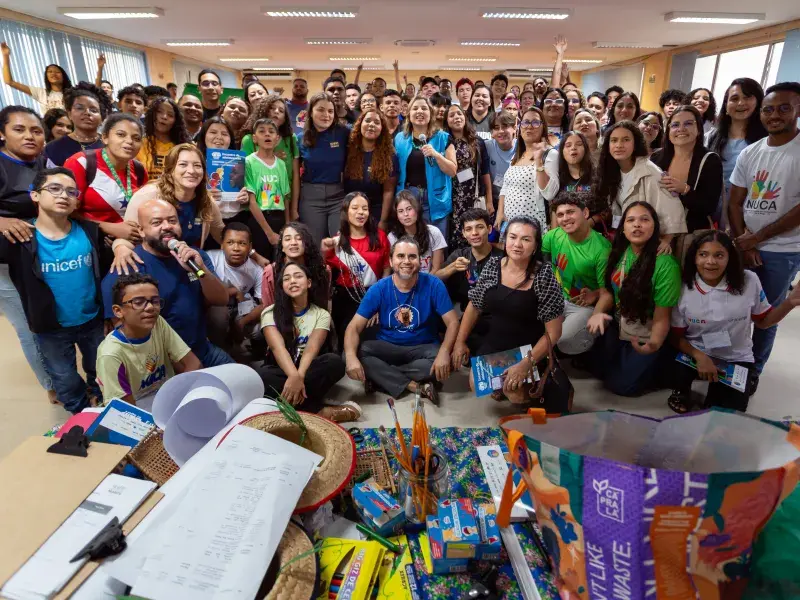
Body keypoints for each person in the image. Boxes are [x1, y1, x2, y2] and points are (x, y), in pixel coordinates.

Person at [0, 167, 104, 413]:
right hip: (50, 327)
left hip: (92, 319)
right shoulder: (21, 238)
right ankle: (79, 413)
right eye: (54, 189)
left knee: (99, 367)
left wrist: (120, 244)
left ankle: (101, 402)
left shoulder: (88, 232)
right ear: (34, 195)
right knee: (64, 377)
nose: (63, 195)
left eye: (71, 191)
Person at [668, 230, 800, 414]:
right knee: (676, 368)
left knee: (723, 415)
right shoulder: (684, 286)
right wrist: (700, 356)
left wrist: (789, 303)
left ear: (730, 257)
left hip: (735, 356)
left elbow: (764, 322)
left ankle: (732, 385)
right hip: (696, 351)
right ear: (694, 258)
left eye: (719, 255)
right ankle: (681, 390)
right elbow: (675, 337)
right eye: (703, 254)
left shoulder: (749, 280)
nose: (710, 262)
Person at [102, 198, 233, 366]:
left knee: (244, 382)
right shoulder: (127, 267)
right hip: (159, 362)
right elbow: (124, 334)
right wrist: (183, 365)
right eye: (157, 222)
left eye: (172, 221)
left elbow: (221, 299)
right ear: (141, 231)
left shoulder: (195, 256)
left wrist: (202, 271)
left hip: (202, 349)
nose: (167, 226)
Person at [452, 216, 564, 403]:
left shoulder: (544, 275)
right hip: (497, 343)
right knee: (475, 383)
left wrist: (525, 364)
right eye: (512, 237)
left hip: (530, 348)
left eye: (526, 239)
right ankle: (504, 384)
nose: (517, 244)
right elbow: (475, 305)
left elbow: (554, 332)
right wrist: (459, 342)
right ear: (505, 241)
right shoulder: (494, 266)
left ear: (535, 246)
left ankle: (530, 387)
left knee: (516, 394)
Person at [729, 82, 800, 374]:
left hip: (782, 251)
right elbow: (734, 202)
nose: (774, 115)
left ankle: (752, 371)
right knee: (736, 309)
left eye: (784, 108)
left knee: (767, 314)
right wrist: (742, 242)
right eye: (768, 109)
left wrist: (758, 238)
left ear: (797, 110)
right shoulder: (750, 153)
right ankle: (733, 360)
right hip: (747, 245)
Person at [344, 235, 458, 402]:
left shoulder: (434, 284)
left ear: (420, 261)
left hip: (423, 347)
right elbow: (354, 327)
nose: (407, 261)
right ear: (391, 261)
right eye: (400, 256)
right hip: (387, 347)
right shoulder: (379, 289)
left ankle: (381, 377)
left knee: (446, 360)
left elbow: (453, 322)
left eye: (412, 256)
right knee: (352, 353)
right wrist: (350, 357)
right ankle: (413, 385)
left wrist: (444, 352)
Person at [587, 201, 681, 396]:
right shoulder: (621, 252)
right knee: (595, 369)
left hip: (647, 329)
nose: (637, 225)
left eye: (644, 220)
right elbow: (611, 292)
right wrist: (597, 307)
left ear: (655, 227)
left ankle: (663, 363)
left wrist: (653, 345)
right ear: (622, 228)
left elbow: (662, 317)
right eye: (630, 220)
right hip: (621, 324)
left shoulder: (665, 264)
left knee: (622, 386)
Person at [0, 106, 55, 401]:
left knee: (44, 318)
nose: (29, 136)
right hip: (5, 265)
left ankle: (60, 375)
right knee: (27, 325)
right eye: (19, 130)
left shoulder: (43, 163)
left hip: (36, 257)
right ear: (2, 133)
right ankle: (51, 386)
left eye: (35, 130)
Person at [256, 261, 352, 418]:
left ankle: (287, 405)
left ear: (308, 283)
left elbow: (312, 349)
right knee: (261, 376)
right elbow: (277, 348)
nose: (292, 281)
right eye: (286, 278)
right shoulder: (269, 312)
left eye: (298, 276)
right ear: (282, 286)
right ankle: (317, 411)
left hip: (307, 369)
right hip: (281, 369)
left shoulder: (321, 314)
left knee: (334, 362)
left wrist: (298, 377)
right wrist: (293, 376)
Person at [112, 144, 225, 273]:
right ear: (170, 169)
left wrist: (249, 251)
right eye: (183, 164)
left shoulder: (206, 201)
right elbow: (127, 236)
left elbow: (222, 235)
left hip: (188, 267)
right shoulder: (146, 196)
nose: (192, 171)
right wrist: (120, 248)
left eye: (197, 166)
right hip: (152, 265)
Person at [98, 273, 201, 409]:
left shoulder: (157, 322)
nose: (150, 308)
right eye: (138, 302)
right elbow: (125, 412)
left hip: (169, 400)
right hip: (138, 413)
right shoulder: (110, 354)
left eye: (155, 301)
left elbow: (194, 364)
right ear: (118, 311)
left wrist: (179, 400)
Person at [64, 114, 147, 265]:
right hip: (89, 247)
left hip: (129, 246)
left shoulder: (139, 169)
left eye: (136, 138)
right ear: (105, 138)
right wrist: (107, 228)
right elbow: (64, 211)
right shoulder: (81, 163)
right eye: (121, 134)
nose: (129, 141)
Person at [595, 121, 686, 253]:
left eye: (626, 140)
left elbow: (672, 207)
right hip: (627, 240)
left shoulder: (650, 171)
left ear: (635, 144)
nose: (619, 145)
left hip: (650, 242)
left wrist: (667, 240)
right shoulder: (611, 170)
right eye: (614, 140)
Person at [542, 192, 611, 356]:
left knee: (564, 341)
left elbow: (607, 293)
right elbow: (544, 265)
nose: (565, 218)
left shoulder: (602, 249)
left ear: (585, 213)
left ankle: (595, 340)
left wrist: (596, 313)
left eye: (570, 212)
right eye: (560, 214)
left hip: (584, 306)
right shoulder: (552, 236)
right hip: (557, 298)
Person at [322, 192, 390, 349]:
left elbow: (387, 267)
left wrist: (379, 300)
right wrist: (323, 250)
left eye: (364, 208)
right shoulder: (336, 241)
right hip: (345, 298)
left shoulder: (379, 236)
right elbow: (323, 269)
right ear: (346, 212)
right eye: (355, 208)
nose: (361, 212)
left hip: (373, 294)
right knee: (345, 345)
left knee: (369, 344)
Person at [651, 105, 723, 232]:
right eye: (675, 125)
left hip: (691, 233)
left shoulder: (710, 160)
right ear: (668, 131)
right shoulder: (656, 157)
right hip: (658, 230)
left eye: (688, 124)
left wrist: (684, 189)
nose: (681, 129)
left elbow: (709, 207)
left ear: (699, 129)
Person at [394, 95, 457, 239]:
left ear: (431, 113)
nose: (420, 111)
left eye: (424, 108)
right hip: (409, 196)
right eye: (415, 108)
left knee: (437, 242)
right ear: (409, 114)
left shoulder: (444, 137)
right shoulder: (399, 139)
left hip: (435, 197)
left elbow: (452, 171)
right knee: (411, 242)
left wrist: (436, 155)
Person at [707, 78, 768, 218]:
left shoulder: (767, 140)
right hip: (711, 209)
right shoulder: (709, 138)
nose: (740, 103)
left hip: (750, 209)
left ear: (759, 102)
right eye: (734, 98)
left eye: (747, 97)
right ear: (726, 105)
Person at [205, 222, 265, 358]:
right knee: (218, 320)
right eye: (230, 242)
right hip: (216, 306)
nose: (236, 248)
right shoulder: (210, 259)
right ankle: (220, 353)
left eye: (242, 243)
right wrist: (233, 291)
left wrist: (242, 323)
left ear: (250, 247)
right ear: (222, 244)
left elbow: (265, 303)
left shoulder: (256, 269)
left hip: (241, 305)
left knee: (259, 328)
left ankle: (246, 350)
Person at [298, 92, 350, 243]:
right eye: (320, 110)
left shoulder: (343, 132)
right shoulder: (300, 138)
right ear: (311, 112)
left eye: (330, 111)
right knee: (314, 244)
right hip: (310, 197)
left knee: (340, 243)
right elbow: (294, 173)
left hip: (338, 196)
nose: (326, 115)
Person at [496, 107, 558, 232]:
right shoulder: (517, 155)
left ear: (543, 127)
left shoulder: (550, 154)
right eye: (525, 122)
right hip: (510, 225)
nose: (529, 126)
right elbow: (505, 187)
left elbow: (550, 193)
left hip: (534, 226)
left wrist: (539, 161)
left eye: (535, 122)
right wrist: (500, 213)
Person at [443, 104, 492, 247]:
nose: (456, 117)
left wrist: (489, 200)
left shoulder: (477, 141)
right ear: (447, 121)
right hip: (453, 198)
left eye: (459, 114)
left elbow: (485, 171)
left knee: (476, 234)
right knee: (457, 237)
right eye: (451, 115)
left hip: (474, 195)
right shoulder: (445, 142)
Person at [437, 207, 502, 312]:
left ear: (489, 229)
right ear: (463, 233)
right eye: (468, 229)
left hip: (493, 313)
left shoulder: (501, 258)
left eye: (480, 227)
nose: (474, 233)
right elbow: (434, 279)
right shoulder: (459, 255)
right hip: (462, 310)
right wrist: (452, 267)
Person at [244, 118, 291, 258]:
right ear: (254, 138)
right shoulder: (248, 162)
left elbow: (285, 197)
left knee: (280, 262)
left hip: (279, 218)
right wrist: (269, 233)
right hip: (259, 220)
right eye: (262, 131)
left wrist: (287, 225)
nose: (267, 135)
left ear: (277, 139)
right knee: (262, 263)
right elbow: (251, 202)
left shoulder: (281, 164)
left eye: (271, 132)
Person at [344, 109, 398, 228]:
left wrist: (383, 221)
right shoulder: (348, 150)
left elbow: (388, 191)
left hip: (376, 212)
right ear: (360, 124)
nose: (372, 125)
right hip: (350, 212)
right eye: (367, 121)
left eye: (377, 122)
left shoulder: (389, 155)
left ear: (382, 129)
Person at [260, 221, 329, 308]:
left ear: (307, 244)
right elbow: (268, 308)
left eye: (299, 238)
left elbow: (324, 304)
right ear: (282, 247)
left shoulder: (322, 270)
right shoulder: (271, 272)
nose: (293, 242)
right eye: (288, 239)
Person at [44, 83, 110, 167]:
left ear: (102, 118)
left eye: (93, 110)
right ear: (69, 114)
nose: (87, 113)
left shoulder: (109, 145)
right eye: (79, 108)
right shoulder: (53, 148)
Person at [1, 42, 72, 113]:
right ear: (46, 77)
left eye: (57, 72)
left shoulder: (72, 94)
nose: (53, 74)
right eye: (50, 72)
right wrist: (6, 56)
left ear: (63, 76)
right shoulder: (41, 93)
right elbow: (9, 81)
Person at [387, 190, 447, 275]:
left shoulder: (434, 232)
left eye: (409, 209)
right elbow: (395, 270)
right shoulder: (392, 237)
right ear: (396, 215)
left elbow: (436, 269)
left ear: (417, 210)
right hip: (403, 282)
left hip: (428, 282)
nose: (406, 214)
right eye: (400, 211)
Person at [137, 97, 191, 178]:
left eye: (170, 115)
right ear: (152, 114)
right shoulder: (139, 144)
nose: (164, 117)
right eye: (159, 112)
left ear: (176, 121)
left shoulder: (185, 146)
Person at [485, 112, 517, 204]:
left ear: (514, 128)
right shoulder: (487, 147)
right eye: (496, 128)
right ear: (492, 132)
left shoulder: (522, 148)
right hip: (493, 199)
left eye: (505, 126)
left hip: (515, 200)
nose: (501, 131)